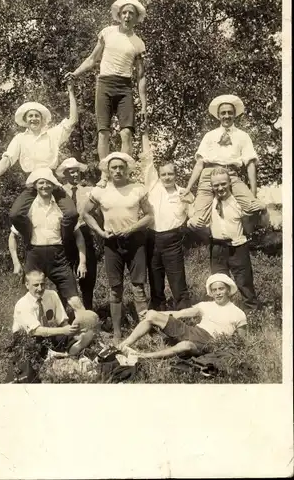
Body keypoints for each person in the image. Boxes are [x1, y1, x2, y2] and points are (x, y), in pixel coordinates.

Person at [65, 0, 147, 187]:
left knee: (126, 133)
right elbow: (93, 59)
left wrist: (143, 106)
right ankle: (104, 175)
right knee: (104, 132)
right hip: (105, 84)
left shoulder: (138, 43)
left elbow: (141, 77)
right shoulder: (107, 33)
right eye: (124, 13)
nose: (127, 16)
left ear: (136, 18)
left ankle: (124, 173)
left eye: (131, 14)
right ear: (119, 15)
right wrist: (75, 74)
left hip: (124, 86)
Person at [0, 80, 79, 245]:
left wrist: (71, 92)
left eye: (37, 115)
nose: (34, 118)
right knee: (15, 214)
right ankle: (31, 240)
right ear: (25, 119)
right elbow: (7, 159)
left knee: (72, 213)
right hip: (32, 182)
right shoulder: (20, 139)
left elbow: (72, 120)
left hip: (51, 180)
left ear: (42, 119)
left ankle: (63, 241)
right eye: (30, 116)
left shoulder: (52, 134)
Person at [83, 152, 153, 343]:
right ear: (108, 170)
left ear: (127, 169)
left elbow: (149, 215)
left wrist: (131, 229)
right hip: (112, 243)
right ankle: (117, 333)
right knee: (115, 288)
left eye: (121, 167)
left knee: (138, 287)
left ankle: (144, 332)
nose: (118, 171)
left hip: (135, 241)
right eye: (113, 167)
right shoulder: (99, 192)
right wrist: (100, 231)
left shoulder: (137, 189)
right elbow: (86, 213)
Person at [22, 167, 99, 334]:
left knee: (75, 299)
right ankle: (34, 335)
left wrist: (83, 261)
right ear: (35, 186)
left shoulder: (62, 209)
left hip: (58, 255)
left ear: (53, 186)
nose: (44, 186)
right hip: (35, 254)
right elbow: (12, 236)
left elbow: (78, 235)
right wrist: (15, 262)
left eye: (48, 183)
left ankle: (89, 334)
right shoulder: (28, 208)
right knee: (33, 297)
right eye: (41, 183)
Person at [181, 94, 266, 229]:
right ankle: (211, 235)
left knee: (253, 207)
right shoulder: (209, 135)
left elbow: (250, 164)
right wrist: (188, 188)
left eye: (230, 113)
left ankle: (241, 236)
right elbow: (199, 163)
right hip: (209, 174)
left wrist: (253, 194)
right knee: (198, 222)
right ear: (219, 116)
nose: (226, 116)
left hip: (231, 174)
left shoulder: (243, 136)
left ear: (235, 115)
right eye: (223, 113)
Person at [118, 274, 247, 359]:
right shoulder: (206, 305)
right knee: (151, 314)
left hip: (208, 341)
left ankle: (142, 356)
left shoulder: (238, 313)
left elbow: (242, 342)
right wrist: (155, 314)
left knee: (186, 345)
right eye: (214, 290)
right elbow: (181, 313)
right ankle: (123, 345)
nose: (218, 293)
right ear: (211, 293)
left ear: (228, 290)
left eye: (221, 289)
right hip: (191, 330)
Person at [140, 130, 194, 310]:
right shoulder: (153, 185)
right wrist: (144, 134)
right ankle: (158, 318)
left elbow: (194, 217)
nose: (167, 177)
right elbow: (147, 160)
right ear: (160, 175)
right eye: (164, 174)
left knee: (178, 282)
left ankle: (185, 317)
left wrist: (190, 204)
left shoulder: (184, 193)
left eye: (170, 174)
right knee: (155, 281)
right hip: (152, 239)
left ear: (175, 175)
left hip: (173, 241)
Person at [192, 167, 259, 312]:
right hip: (217, 248)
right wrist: (193, 221)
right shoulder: (208, 203)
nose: (220, 188)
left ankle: (252, 316)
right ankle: (223, 315)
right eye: (216, 185)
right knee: (219, 284)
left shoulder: (238, 201)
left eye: (223, 184)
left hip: (238, 246)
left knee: (244, 282)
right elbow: (193, 218)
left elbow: (253, 225)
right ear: (211, 186)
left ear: (230, 183)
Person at [7, 270, 92, 383]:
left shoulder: (51, 295)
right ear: (27, 285)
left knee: (79, 335)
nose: (40, 288)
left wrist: (70, 332)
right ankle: (52, 355)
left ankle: (71, 350)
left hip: (49, 333)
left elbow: (62, 321)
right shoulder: (22, 304)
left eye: (42, 284)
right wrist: (63, 330)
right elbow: (36, 331)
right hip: (28, 337)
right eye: (36, 285)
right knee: (30, 353)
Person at [56, 157, 98, 310]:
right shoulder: (58, 191)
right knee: (64, 276)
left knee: (88, 275)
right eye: (71, 172)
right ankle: (64, 315)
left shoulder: (88, 191)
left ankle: (88, 312)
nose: (75, 175)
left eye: (77, 172)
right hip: (64, 235)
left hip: (84, 234)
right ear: (65, 174)